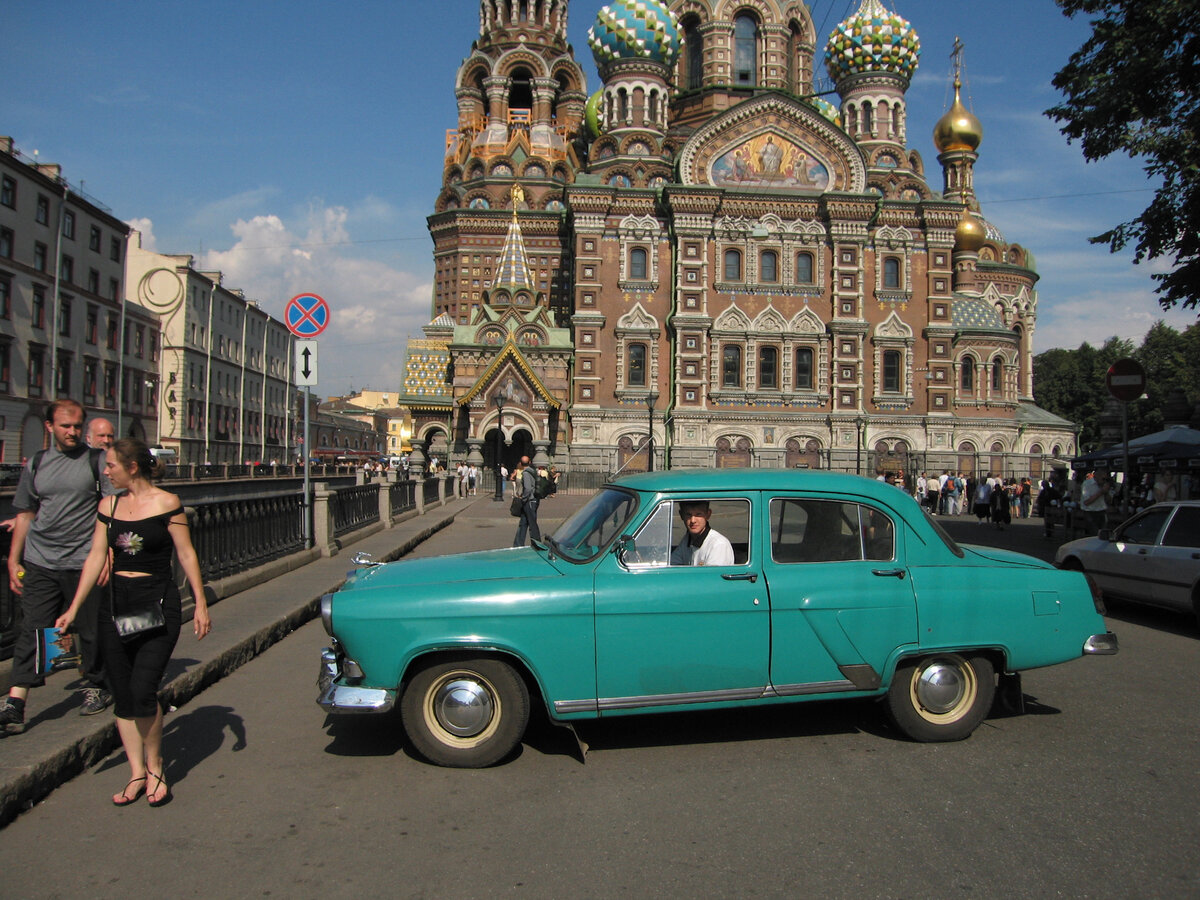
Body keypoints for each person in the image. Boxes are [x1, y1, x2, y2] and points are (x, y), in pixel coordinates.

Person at [55, 438, 210, 807]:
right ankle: (136, 772)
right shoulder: (108, 505)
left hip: (157, 604)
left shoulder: (166, 503)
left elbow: (186, 553)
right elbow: (95, 556)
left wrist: (200, 603)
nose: (106, 471)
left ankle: (156, 766)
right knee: (123, 695)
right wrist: (74, 608)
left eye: (111, 466)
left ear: (132, 467)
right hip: (115, 607)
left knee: (143, 689)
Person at [1, 400, 115, 736]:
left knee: (90, 627)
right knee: (33, 628)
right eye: (65, 426)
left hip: (83, 560)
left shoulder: (96, 461)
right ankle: (16, 703)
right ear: (49, 427)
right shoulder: (37, 463)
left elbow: (112, 510)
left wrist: (108, 553)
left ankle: (96, 685)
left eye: (78, 426)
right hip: (40, 560)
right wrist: (13, 558)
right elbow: (25, 513)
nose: (73, 432)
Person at [670, 500, 735, 566]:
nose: (693, 520)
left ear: (708, 514)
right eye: (688, 515)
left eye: (698, 514)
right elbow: (672, 565)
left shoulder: (718, 544)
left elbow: (712, 575)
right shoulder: (687, 540)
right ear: (681, 515)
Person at [511, 456, 541, 547]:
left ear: (520, 463)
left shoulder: (526, 473)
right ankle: (518, 544)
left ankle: (537, 544)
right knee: (523, 523)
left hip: (529, 501)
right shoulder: (533, 471)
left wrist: (523, 498)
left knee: (532, 524)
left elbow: (527, 488)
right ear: (530, 462)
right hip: (533, 500)